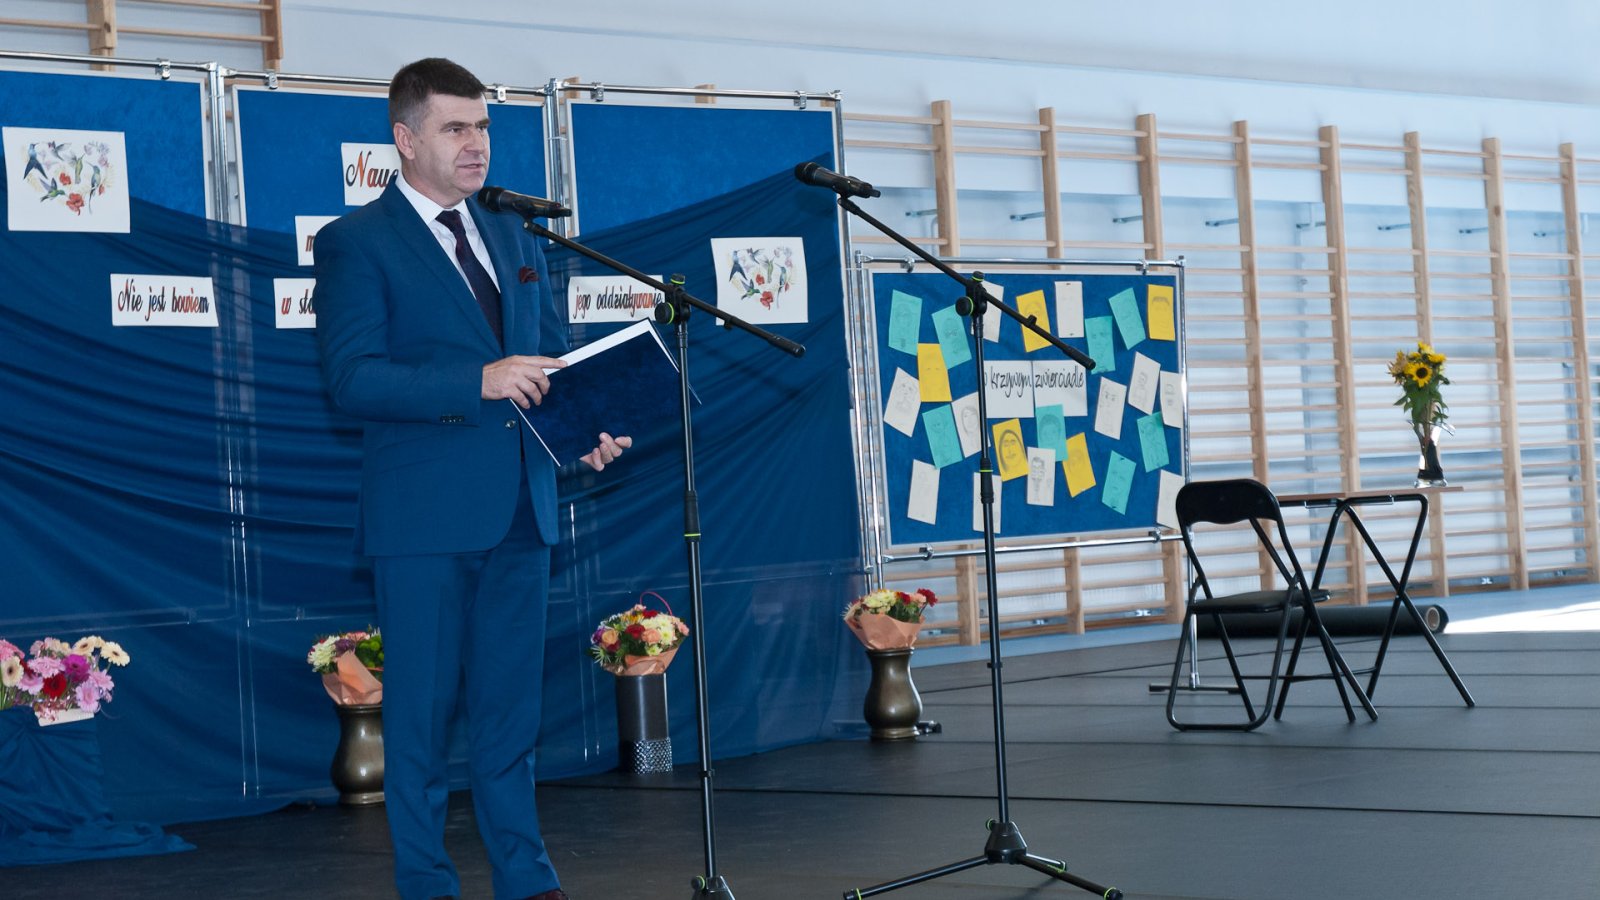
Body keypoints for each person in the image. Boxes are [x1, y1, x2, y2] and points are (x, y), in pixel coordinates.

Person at [314, 57, 628, 900]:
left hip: (522, 508)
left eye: (483, 126)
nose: (476, 143)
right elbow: (352, 379)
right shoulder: (356, 241)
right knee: (419, 719)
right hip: (422, 518)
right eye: (455, 127)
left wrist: (582, 434)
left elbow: (547, 361)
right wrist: (475, 380)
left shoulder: (513, 234)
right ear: (405, 138)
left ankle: (527, 878)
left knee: (510, 715)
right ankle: (426, 883)